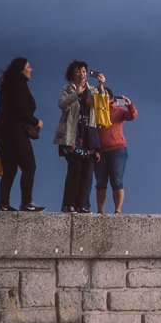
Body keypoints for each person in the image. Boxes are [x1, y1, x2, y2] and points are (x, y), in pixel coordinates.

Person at [0, 57, 45, 211]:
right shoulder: (18, 86)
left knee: (10, 169)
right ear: (21, 69)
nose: (31, 69)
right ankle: (26, 203)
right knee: (29, 166)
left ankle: (4, 204)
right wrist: (37, 122)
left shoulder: (10, 85)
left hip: (1, 131)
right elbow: (20, 112)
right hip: (13, 131)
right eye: (28, 66)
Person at [52, 60, 103, 213]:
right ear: (72, 74)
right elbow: (62, 104)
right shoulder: (66, 89)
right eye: (78, 71)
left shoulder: (92, 89)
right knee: (75, 170)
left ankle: (83, 205)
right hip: (73, 134)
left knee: (87, 172)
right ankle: (69, 204)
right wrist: (77, 94)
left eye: (84, 71)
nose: (81, 74)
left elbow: (102, 103)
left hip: (88, 134)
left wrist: (101, 85)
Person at [96, 88, 137, 214]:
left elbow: (132, 116)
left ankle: (117, 211)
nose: (103, 97)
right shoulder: (96, 111)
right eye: (100, 95)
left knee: (116, 180)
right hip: (100, 151)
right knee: (100, 181)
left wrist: (130, 105)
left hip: (117, 150)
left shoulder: (118, 110)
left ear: (111, 97)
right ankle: (100, 210)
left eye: (105, 95)